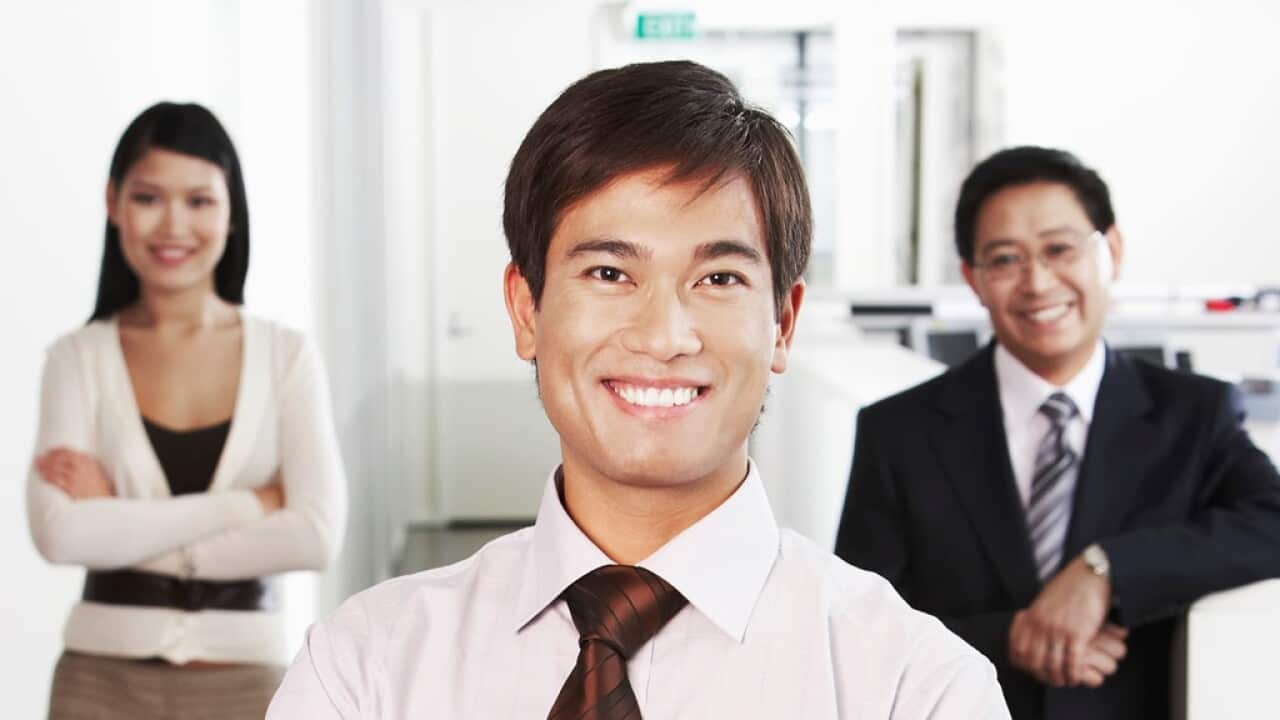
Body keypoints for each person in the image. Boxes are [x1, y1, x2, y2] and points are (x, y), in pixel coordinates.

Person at [267, 60, 1008, 719]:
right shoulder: (364, 669)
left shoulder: (915, 687)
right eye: (609, 273)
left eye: (718, 278)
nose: (663, 335)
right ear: (526, 311)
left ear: (782, 324)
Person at [834, 145, 1280, 719]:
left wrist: (1108, 569)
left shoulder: (1193, 414)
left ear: (1111, 251)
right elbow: (857, 627)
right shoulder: (898, 432)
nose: (1038, 283)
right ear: (973, 278)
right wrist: (1013, 639)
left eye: (1059, 250)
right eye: (1005, 260)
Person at [27, 101, 348, 719]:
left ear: (231, 214)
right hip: (97, 684)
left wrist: (117, 519)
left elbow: (315, 536)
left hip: (245, 683)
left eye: (198, 201)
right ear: (113, 203)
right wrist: (250, 506)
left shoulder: (285, 356)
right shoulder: (76, 358)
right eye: (149, 198)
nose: (173, 224)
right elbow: (60, 533)